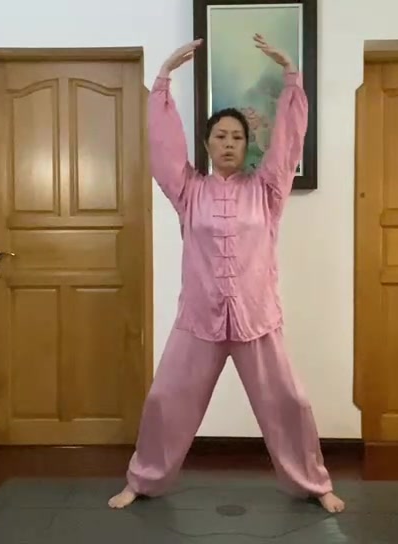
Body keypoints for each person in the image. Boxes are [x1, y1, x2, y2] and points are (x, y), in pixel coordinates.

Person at [108, 35, 345, 514]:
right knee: (165, 399)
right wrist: (163, 78)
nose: (229, 143)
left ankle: (314, 484)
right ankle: (143, 480)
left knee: (290, 401)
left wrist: (291, 75)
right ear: (207, 144)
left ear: (247, 144)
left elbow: (288, 143)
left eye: (237, 137)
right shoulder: (187, 190)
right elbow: (163, 150)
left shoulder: (268, 190)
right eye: (220, 136)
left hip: (258, 319)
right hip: (199, 318)